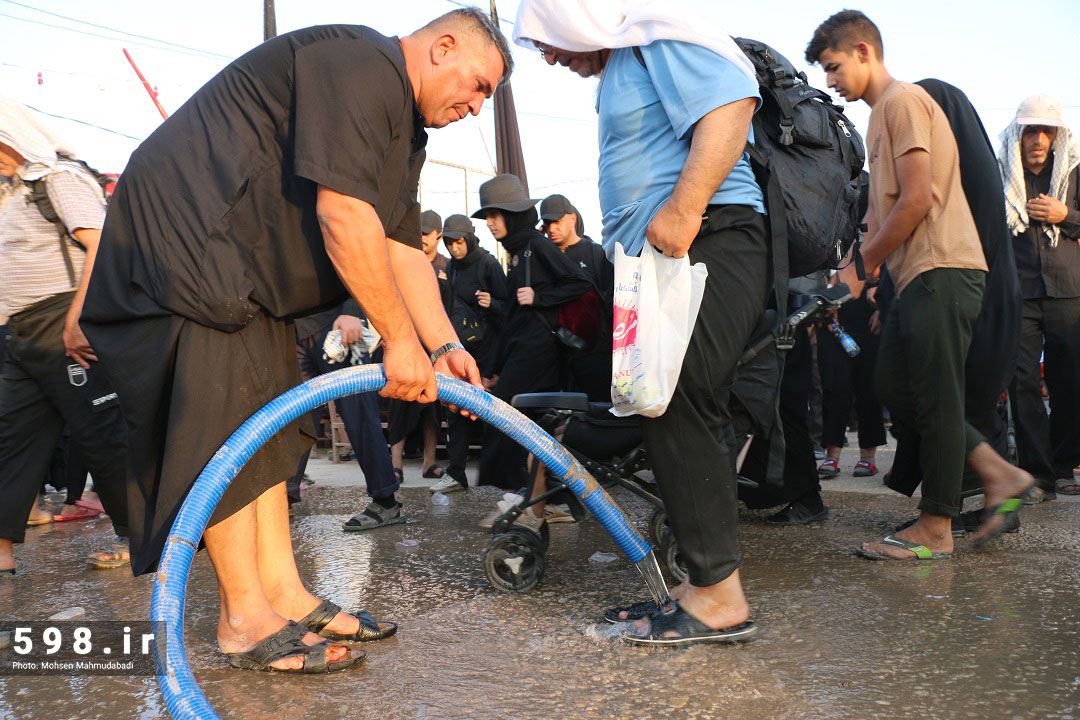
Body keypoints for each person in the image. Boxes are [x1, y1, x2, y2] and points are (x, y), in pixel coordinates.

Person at [80, 10, 511, 672]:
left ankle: (282, 592)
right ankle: (243, 618)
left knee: (271, 429)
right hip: (190, 245)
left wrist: (443, 343)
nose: (477, 106)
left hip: (247, 274)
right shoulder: (361, 63)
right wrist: (397, 340)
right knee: (226, 425)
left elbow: (400, 250)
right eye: (479, 85)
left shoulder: (403, 132)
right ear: (443, 47)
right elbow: (342, 214)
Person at [516, 0, 770, 646]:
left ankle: (720, 595)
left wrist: (684, 208)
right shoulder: (622, 67)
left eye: (550, 36)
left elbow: (732, 104)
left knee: (680, 398)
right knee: (662, 404)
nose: (548, 54)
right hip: (661, 259)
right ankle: (703, 587)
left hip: (708, 238)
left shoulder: (658, 36)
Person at [807, 10, 1034, 561]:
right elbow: (882, 214)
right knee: (893, 386)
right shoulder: (878, 118)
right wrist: (872, 280)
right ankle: (997, 471)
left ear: (864, 51)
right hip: (914, 279)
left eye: (834, 67)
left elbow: (916, 201)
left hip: (944, 268)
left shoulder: (904, 101)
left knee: (935, 396)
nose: (829, 81)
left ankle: (937, 526)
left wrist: (858, 270)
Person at [0, 97, 130, 578]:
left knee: (105, 437)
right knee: (10, 438)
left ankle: (143, 541)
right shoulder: (14, 192)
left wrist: (77, 320)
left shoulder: (59, 177)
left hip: (64, 320)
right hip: (22, 333)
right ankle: (1, 552)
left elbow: (101, 246)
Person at [473, 174, 591, 496]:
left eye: (495, 215)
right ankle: (552, 500)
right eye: (487, 217)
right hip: (523, 348)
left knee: (506, 415)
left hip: (541, 349)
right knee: (538, 429)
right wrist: (494, 368)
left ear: (512, 215)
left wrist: (539, 298)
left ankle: (519, 494)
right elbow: (511, 317)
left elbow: (580, 282)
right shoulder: (517, 251)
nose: (490, 223)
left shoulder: (536, 246)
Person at [997, 95, 1080, 499]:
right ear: (1019, 134)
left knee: (1069, 381)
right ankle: (1036, 474)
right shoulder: (1000, 173)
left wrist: (1066, 216)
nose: (1039, 139)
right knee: (1022, 381)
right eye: (1031, 130)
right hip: (1019, 291)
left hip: (1067, 290)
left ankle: (1065, 467)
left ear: (1057, 135)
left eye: (1046, 131)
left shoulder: (1075, 174)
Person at [429, 213, 508, 494]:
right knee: (455, 414)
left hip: (487, 354)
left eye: (459, 242)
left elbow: (509, 311)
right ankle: (456, 473)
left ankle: (500, 476)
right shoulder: (451, 268)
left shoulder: (488, 264)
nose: (454, 248)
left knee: (491, 415)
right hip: (459, 351)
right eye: (449, 243)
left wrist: (493, 304)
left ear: (470, 239)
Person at [387, 209, 452, 485]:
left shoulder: (448, 267)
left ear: (438, 236)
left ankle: (429, 462)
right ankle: (395, 463)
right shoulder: (400, 261)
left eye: (426, 234)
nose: (421, 238)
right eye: (418, 233)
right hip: (403, 342)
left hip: (435, 346)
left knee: (431, 408)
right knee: (400, 401)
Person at [540, 193, 613, 401]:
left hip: (594, 354)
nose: (552, 229)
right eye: (547, 224)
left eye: (557, 221)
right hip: (555, 358)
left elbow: (610, 302)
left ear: (572, 218)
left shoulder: (595, 253)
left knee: (596, 412)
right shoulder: (542, 258)